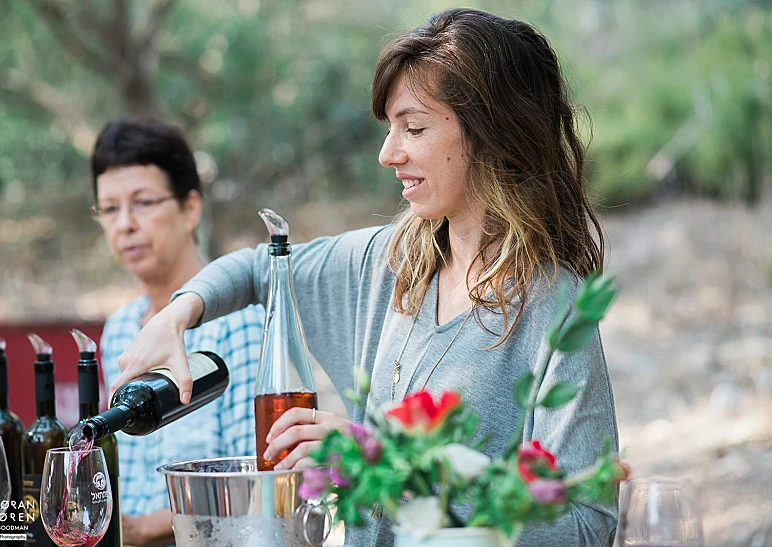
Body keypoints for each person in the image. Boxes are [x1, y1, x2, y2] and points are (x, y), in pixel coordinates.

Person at [111, 9, 618, 546]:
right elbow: (262, 267)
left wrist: (381, 463)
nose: (387, 153)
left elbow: (587, 524)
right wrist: (178, 313)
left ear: (492, 132)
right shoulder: (390, 263)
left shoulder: (555, 308)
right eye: (390, 129)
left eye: (413, 128)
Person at [90, 118, 265, 546]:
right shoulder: (119, 329)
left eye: (143, 203)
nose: (124, 224)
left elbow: (258, 484)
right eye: (109, 209)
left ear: (190, 209)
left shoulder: (240, 323)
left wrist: (137, 529)